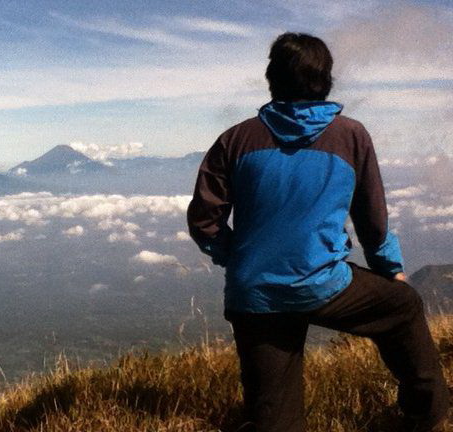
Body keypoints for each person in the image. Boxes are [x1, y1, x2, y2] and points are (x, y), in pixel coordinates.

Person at [186, 32, 450, 432]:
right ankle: (425, 415)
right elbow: (372, 219)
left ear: (272, 78)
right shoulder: (351, 136)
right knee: (403, 306)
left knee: (275, 420)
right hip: (326, 286)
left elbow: (204, 221)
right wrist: (389, 269)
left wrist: (237, 256)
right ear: (325, 79)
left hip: (254, 295)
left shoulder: (236, 139)